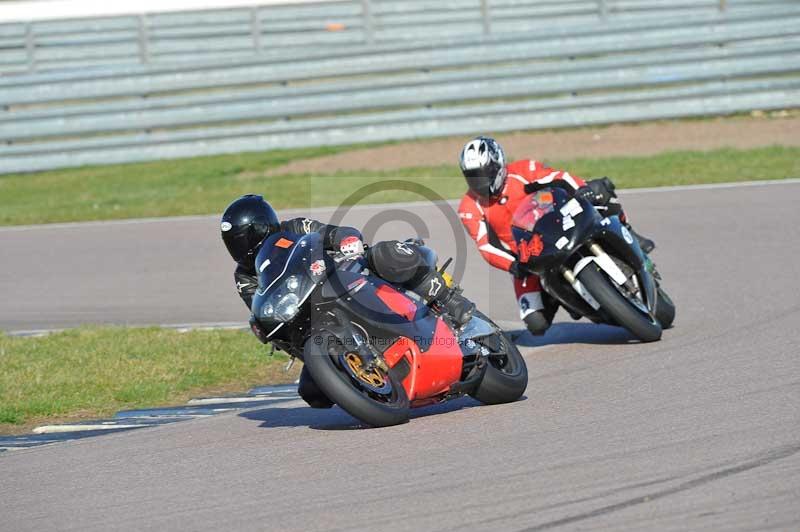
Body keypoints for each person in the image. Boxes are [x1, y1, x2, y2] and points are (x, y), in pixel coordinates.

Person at [220, 194, 475, 407]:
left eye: (244, 238)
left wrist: (345, 239)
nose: (242, 247)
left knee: (382, 254)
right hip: (309, 313)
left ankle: (448, 299)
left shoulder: (294, 228)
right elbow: (263, 309)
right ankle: (372, 382)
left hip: (342, 276)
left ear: (264, 226)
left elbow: (327, 233)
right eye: (234, 243)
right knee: (313, 393)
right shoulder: (244, 276)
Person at [457, 136, 654, 336]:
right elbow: (485, 246)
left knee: (599, 191)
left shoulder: (523, 170)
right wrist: (514, 266)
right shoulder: (468, 207)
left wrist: (581, 189)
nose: (480, 181)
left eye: (484, 173)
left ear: (498, 164)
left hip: (559, 223)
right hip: (528, 256)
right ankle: (567, 297)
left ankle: (630, 233)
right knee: (536, 323)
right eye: (473, 176)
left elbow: (559, 177)